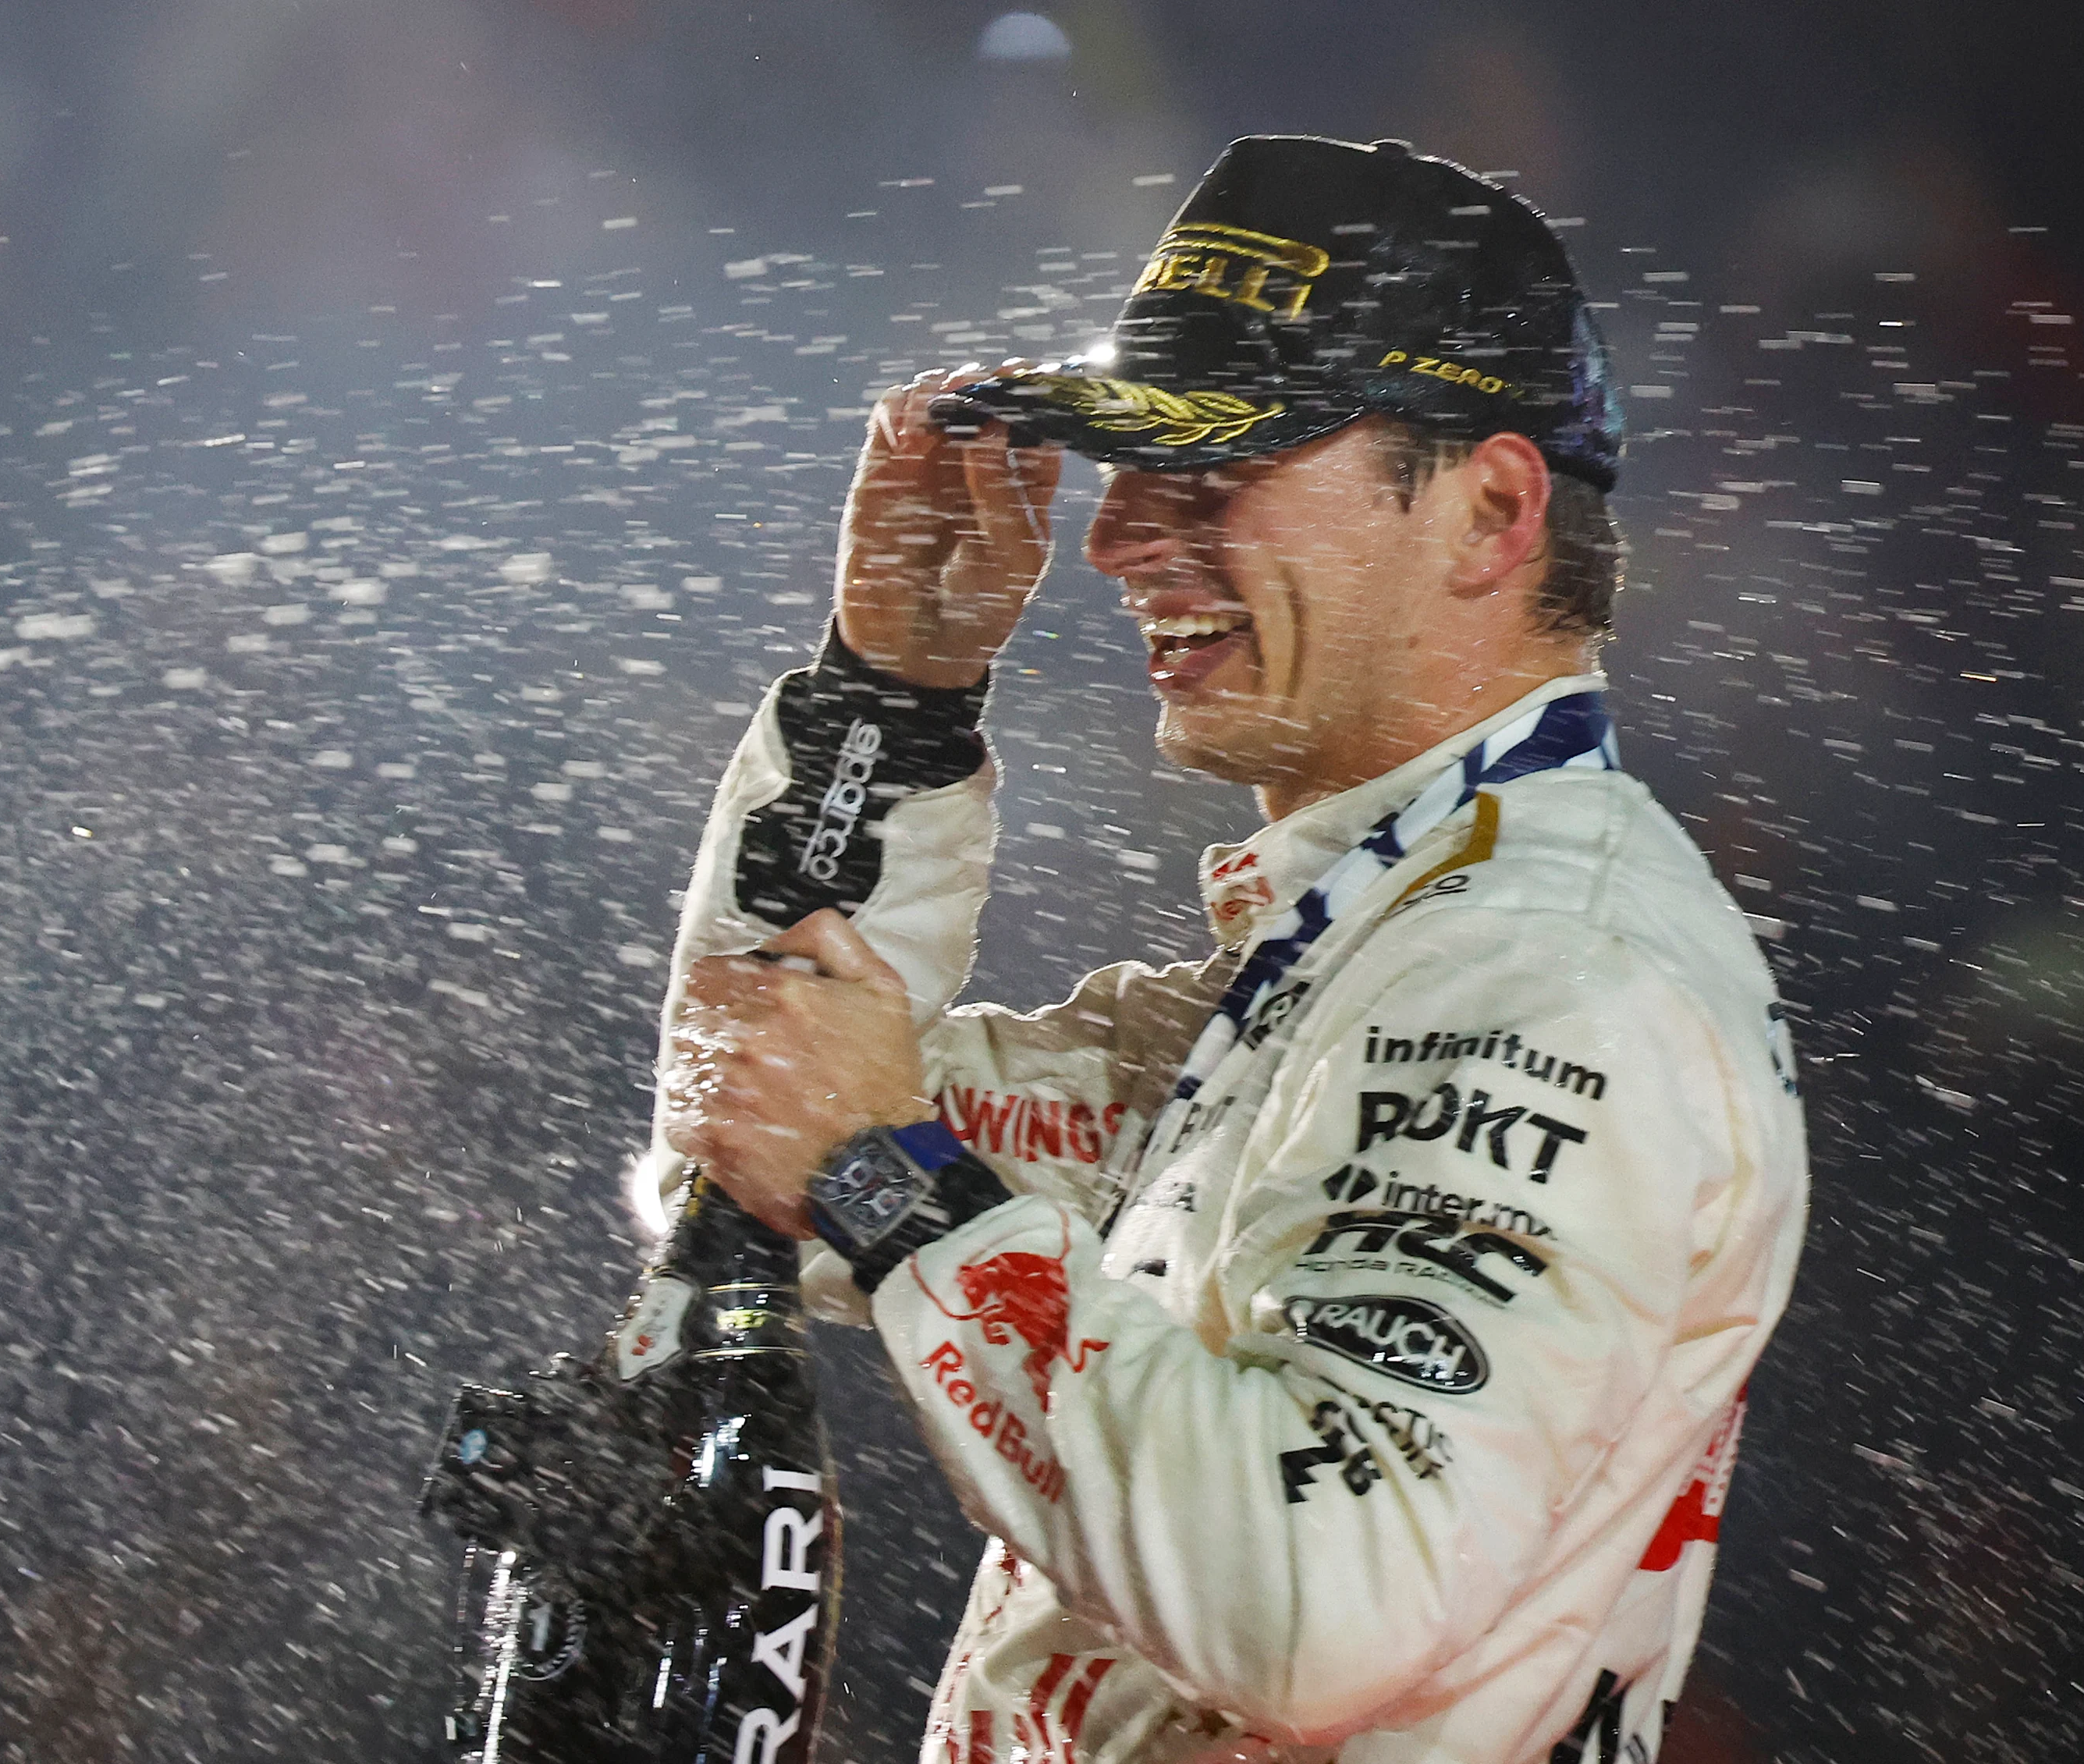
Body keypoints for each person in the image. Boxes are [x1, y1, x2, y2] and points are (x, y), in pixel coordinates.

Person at [648, 135, 1809, 1764]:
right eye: (1127, 469)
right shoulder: (1368, 945)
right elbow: (743, 1137)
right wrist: (888, 698)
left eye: (1213, 471)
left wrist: (884, 1168)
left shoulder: (1549, 972)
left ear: (1485, 511)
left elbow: (1310, 1599)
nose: (1116, 540)